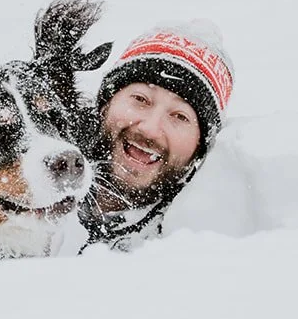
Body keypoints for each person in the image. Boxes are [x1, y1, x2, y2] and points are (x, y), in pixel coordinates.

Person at [78, 20, 234, 249]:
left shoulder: (196, 243)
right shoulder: (25, 178)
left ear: (200, 146)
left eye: (179, 116)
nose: (150, 129)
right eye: (140, 99)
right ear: (105, 104)